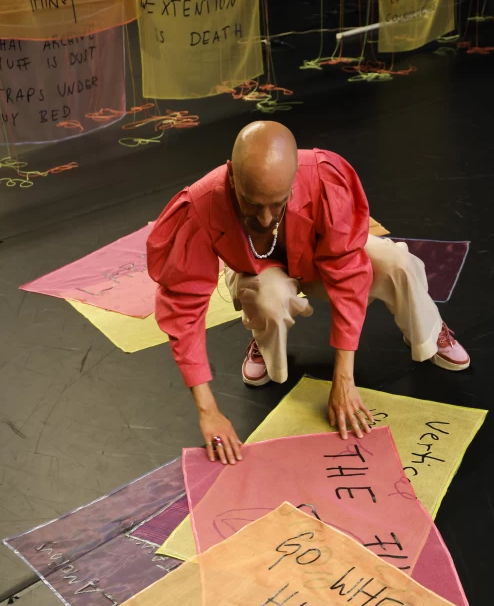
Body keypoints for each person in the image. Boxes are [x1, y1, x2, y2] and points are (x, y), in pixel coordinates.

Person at [147, 121, 470, 465]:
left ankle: (430, 332)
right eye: (251, 204)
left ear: (294, 176)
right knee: (268, 297)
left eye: (277, 203)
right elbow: (183, 309)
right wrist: (207, 410)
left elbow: (346, 273)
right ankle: (263, 337)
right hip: (257, 273)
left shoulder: (323, 176)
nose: (266, 218)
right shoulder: (201, 205)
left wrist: (343, 378)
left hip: (317, 262)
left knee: (398, 262)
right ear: (231, 176)